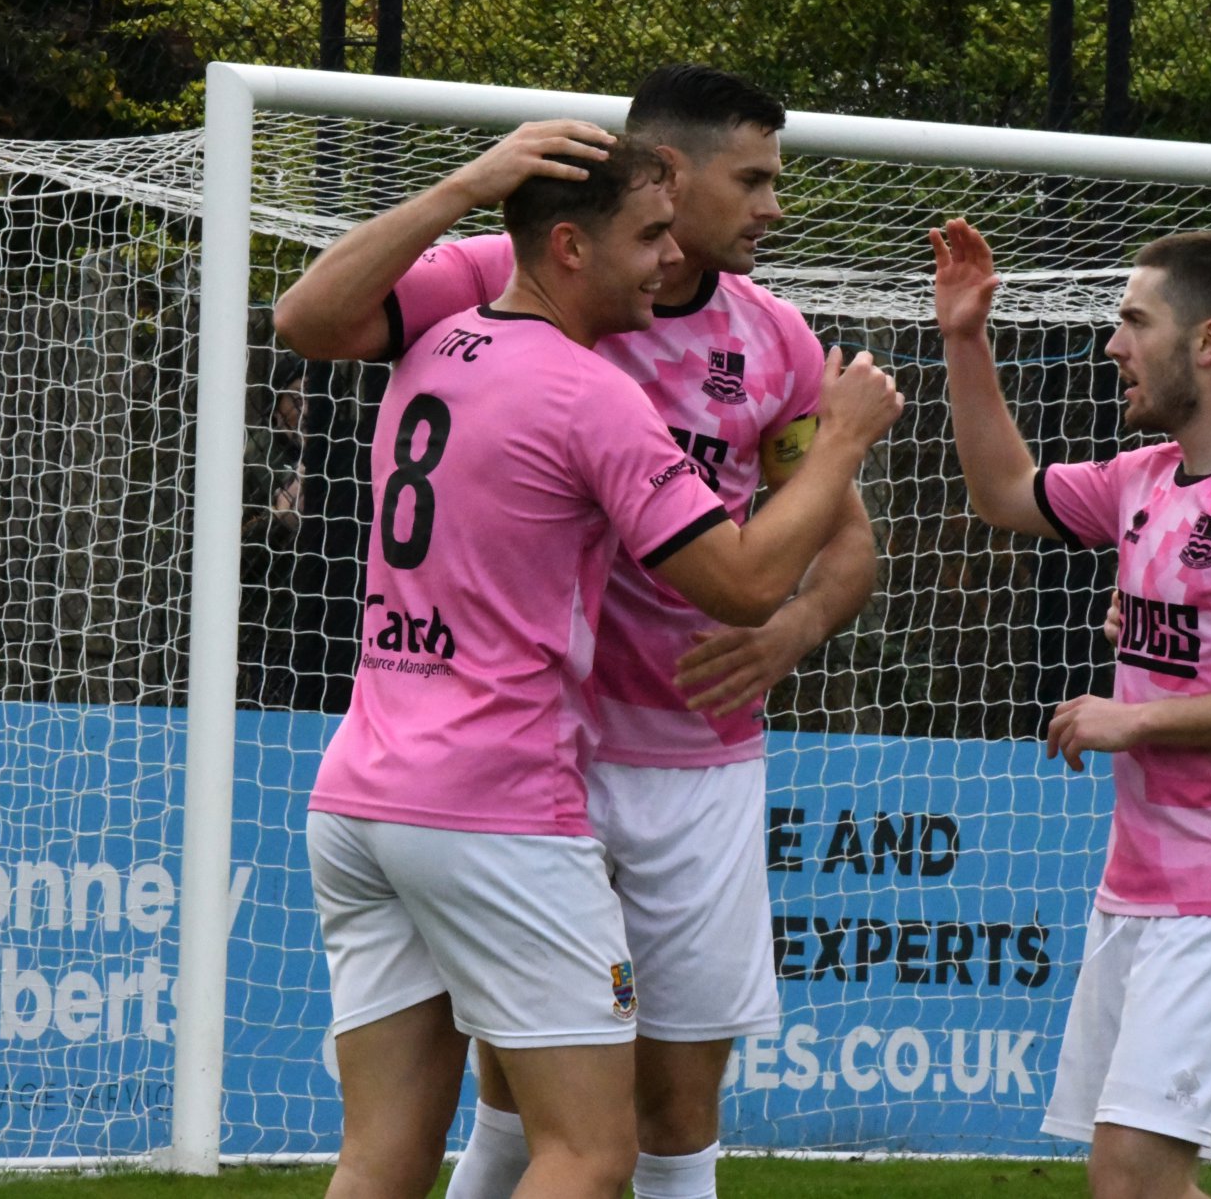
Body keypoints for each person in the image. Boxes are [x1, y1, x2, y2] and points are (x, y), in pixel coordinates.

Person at [273, 64, 875, 1199]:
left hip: (412, 771)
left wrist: (792, 630)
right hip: (519, 778)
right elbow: (742, 576)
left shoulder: (455, 343)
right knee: (584, 1144)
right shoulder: (557, 352)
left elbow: (834, 552)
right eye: (749, 180)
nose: (771, 207)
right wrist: (843, 442)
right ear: (655, 183)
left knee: (441, 1141)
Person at [933, 219, 1211, 1199]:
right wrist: (964, 338)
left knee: (1132, 1172)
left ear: (1207, 342)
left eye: (1134, 322)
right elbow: (1003, 491)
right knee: (1132, 1180)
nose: (1113, 344)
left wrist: (1136, 719)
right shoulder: (1144, 479)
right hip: (1143, 882)